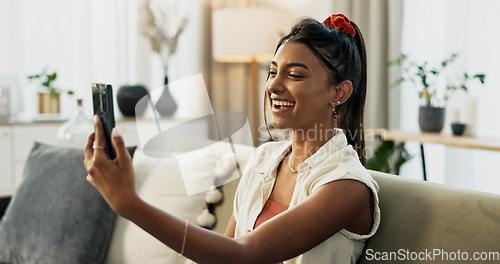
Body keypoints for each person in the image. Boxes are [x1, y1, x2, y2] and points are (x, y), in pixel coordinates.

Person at [84, 13, 380, 264]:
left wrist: (129, 205)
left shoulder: (346, 187)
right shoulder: (264, 160)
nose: (273, 85)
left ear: (339, 92)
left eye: (295, 75)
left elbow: (243, 255)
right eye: (273, 71)